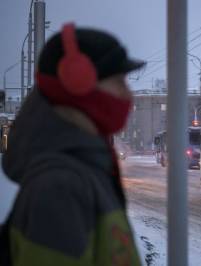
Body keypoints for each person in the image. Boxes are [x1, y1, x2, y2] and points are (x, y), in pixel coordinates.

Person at [0, 23, 145, 265]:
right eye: (119, 81)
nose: (127, 95)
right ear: (78, 81)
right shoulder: (61, 186)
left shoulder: (83, 168)